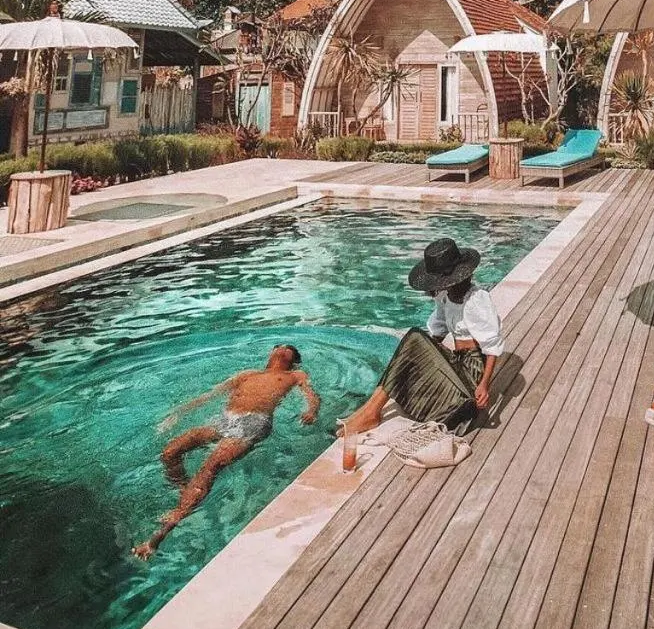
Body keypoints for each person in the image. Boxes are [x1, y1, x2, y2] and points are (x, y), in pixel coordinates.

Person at [133, 344, 320, 559]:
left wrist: (312, 411)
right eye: (278, 347)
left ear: (293, 359)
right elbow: (211, 394)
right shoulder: (247, 374)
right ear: (270, 352)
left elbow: (310, 394)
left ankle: (168, 526)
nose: (281, 349)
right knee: (170, 452)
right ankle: (186, 491)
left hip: (255, 421)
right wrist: (178, 412)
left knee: (211, 466)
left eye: (288, 349)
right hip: (224, 419)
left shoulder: (295, 374)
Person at [339, 238, 503, 439]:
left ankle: (370, 413)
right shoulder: (446, 297)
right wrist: (417, 357)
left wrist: (484, 385)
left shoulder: (477, 299)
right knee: (414, 343)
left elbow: (492, 347)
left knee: (415, 337)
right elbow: (438, 332)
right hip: (457, 365)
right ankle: (368, 411)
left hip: (471, 377)